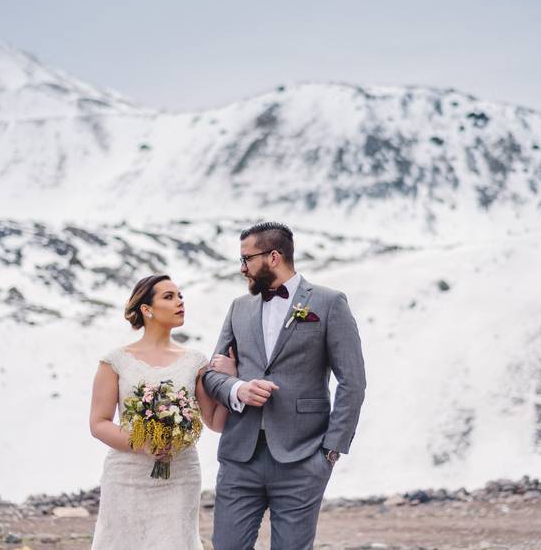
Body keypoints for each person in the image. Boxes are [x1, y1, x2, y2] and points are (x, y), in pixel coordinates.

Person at [202, 222, 367, 549]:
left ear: (273, 257)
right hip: (239, 458)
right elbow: (212, 374)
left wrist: (330, 451)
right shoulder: (239, 307)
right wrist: (239, 389)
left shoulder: (329, 303)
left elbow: (352, 381)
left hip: (302, 458)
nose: (242, 268)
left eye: (247, 259)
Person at [88, 274, 235, 549]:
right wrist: (143, 443)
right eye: (169, 297)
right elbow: (99, 423)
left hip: (180, 475)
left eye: (180, 296)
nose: (180, 302)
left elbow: (214, 421)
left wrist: (231, 379)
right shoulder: (115, 361)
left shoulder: (195, 361)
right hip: (126, 476)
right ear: (147, 309)